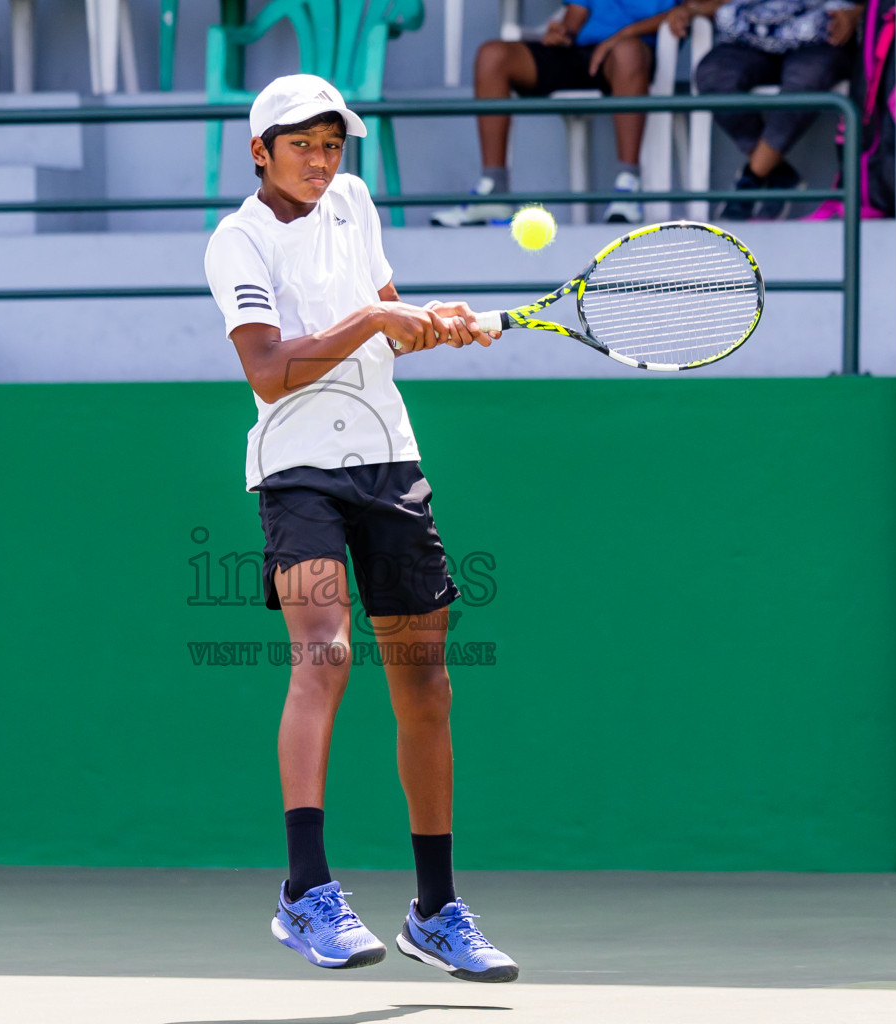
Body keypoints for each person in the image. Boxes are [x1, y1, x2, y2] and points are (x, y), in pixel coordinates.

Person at [203, 74, 520, 983]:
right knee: (326, 653)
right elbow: (268, 370)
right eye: (301, 143)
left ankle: (436, 910)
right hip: (296, 467)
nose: (321, 158)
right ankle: (306, 892)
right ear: (259, 150)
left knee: (426, 682)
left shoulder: (353, 202)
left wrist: (425, 323)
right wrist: (377, 317)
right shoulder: (237, 243)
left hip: (389, 460)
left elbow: (382, 307)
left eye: (332, 143)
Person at [433, 0, 678, 227]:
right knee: (492, 56)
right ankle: (494, 192)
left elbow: (699, 8)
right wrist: (561, 32)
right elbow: (576, 13)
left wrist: (623, 35)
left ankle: (629, 187)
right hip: (580, 52)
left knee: (627, 52)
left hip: (633, 54)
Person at [684, 0, 864, 219]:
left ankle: (752, 179)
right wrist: (690, 9)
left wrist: (856, 15)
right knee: (714, 76)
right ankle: (777, 172)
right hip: (747, 38)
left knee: (806, 79)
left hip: (821, 38)